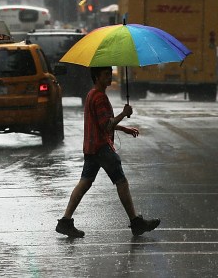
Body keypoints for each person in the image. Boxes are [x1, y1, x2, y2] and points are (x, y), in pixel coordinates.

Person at [55, 66, 160, 238]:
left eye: (110, 73)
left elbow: (102, 123)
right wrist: (124, 114)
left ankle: (65, 221)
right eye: (105, 74)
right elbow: (106, 125)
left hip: (91, 147)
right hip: (101, 148)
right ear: (96, 77)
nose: (109, 77)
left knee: (84, 183)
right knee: (121, 181)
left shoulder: (91, 94)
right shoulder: (99, 97)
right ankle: (135, 222)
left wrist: (123, 128)